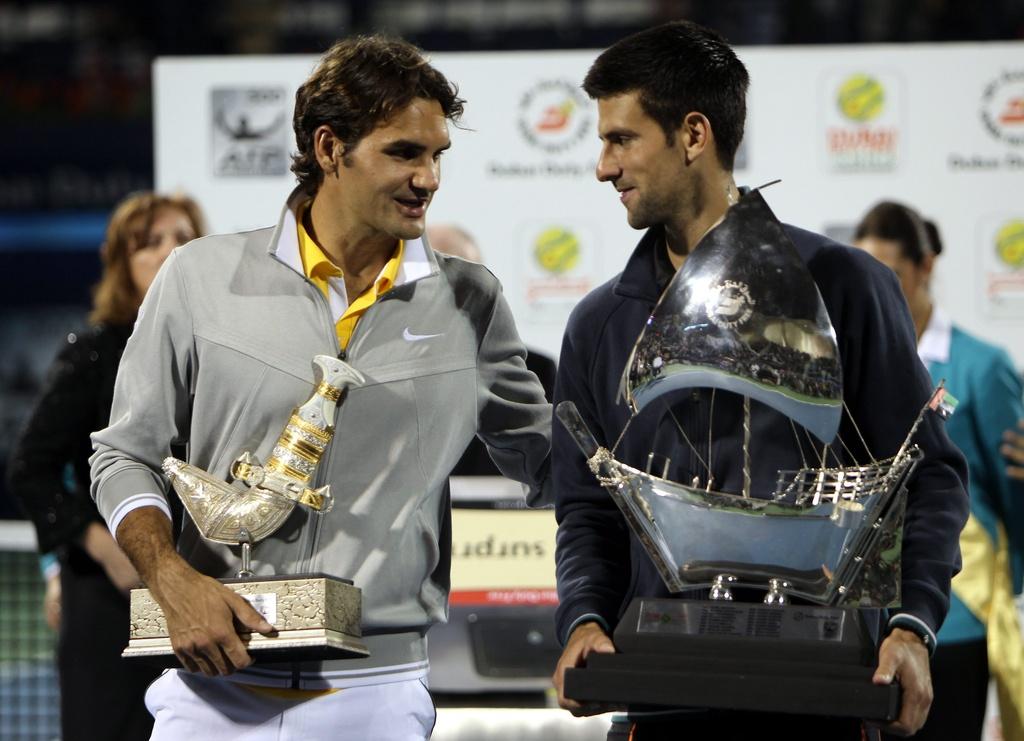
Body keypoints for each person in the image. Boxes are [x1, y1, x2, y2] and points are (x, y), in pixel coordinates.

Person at [89, 35, 550, 740]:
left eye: (436, 156)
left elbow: (552, 466)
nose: (428, 177)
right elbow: (123, 455)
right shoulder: (197, 276)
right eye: (404, 152)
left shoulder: (469, 302)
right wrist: (169, 577)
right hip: (211, 687)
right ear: (330, 148)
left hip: (375, 689)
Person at [549, 21, 969, 740]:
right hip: (661, 697)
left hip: (827, 698)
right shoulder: (598, 323)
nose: (602, 166)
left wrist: (911, 626)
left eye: (622, 139)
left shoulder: (847, 286)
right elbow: (587, 510)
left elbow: (926, 477)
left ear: (692, 134)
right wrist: (585, 617)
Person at [7, 191, 205, 741]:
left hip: (199, 588)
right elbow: (32, 467)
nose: (171, 252)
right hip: (106, 603)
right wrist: (107, 547)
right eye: (151, 243)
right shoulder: (94, 354)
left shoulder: (220, 353)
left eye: (184, 240)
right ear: (121, 261)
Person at [854, 203, 1024, 741]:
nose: (876, 294)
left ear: (925, 267)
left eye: (891, 276)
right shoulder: (850, 364)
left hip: (957, 615)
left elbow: (1014, 496)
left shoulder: (981, 366)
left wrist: (1011, 601)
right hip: (866, 619)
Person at [427, 223, 557, 475]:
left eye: (464, 279)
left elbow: (549, 465)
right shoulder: (384, 365)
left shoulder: (537, 368)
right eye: (435, 276)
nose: (447, 293)